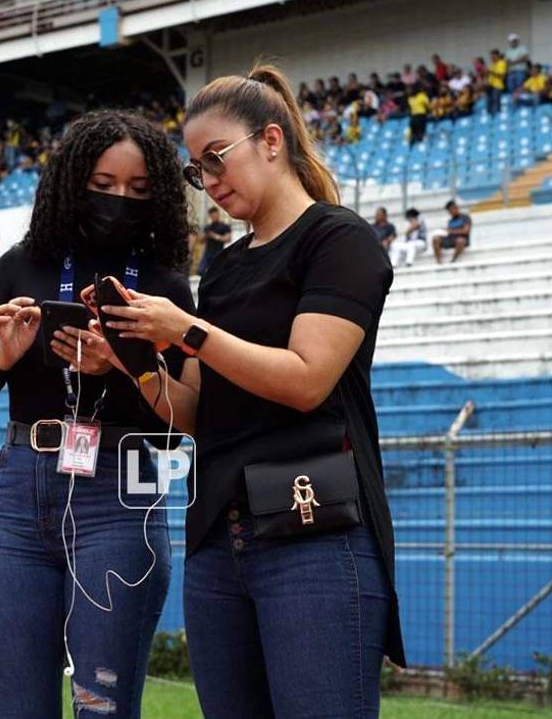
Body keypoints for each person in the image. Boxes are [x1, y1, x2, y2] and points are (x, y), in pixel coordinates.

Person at [89, 64, 404, 717]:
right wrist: (132, 360)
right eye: (196, 169)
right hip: (217, 543)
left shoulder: (338, 239)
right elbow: (191, 418)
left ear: (270, 140)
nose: (208, 182)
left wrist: (188, 331)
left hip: (313, 531)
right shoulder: (224, 267)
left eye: (216, 159)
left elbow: (307, 380)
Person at [0, 109, 196, 718]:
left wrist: (121, 365)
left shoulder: (166, 285)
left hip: (120, 498)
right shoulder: (20, 265)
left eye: (138, 190)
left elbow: (181, 421)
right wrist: (5, 358)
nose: (119, 200)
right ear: (72, 180)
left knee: (102, 707)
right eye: (104, 184)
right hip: (18, 496)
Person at [434, 199, 472, 264]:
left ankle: (453, 259)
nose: (450, 212)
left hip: (462, 239)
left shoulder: (465, 217)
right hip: (451, 239)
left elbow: (466, 231)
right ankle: (439, 261)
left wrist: (451, 231)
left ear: (456, 208)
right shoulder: (450, 221)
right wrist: (443, 231)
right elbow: (449, 232)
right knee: (435, 239)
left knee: (460, 240)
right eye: (449, 211)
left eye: (451, 210)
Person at [197, 206, 232, 276]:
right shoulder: (207, 227)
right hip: (207, 253)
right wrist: (205, 235)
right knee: (200, 270)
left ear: (218, 214)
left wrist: (215, 236)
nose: (213, 217)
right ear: (210, 216)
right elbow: (200, 240)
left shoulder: (224, 226)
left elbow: (228, 239)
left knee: (217, 272)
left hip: (218, 253)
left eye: (215, 215)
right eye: (212, 215)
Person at [486, 48, 506, 114]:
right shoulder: (492, 64)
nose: (492, 58)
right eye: (491, 56)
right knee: (489, 103)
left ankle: (496, 117)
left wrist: (491, 71)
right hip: (490, 86)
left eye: (493, 56)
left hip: (497, 86)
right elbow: (490, 75)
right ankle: (490, 119)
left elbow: (501, 75)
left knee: (496, 103)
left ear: (497, 55)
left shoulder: (502, 63)